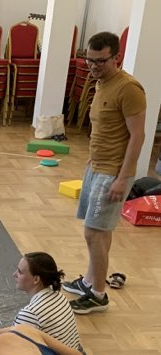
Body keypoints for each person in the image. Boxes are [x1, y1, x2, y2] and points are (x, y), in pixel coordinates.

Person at [62, 32, 146, 314]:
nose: (93, 66)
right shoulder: (101, 83)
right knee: (101, 231)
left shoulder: (129, 88)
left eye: (100, 61)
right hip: (96, 166)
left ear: (116, 58)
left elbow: (137, 136)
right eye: (89, 60)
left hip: (113, 172)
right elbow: (105, 128)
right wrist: (91, 159)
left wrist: (123, 178)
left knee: (94, 233)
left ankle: (98, 294)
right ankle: (89, 281)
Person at [13, 253, 80, 355]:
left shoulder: (30, 314)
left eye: (20, 272)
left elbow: (13, 350)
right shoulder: (60, 297)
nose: (14, 274)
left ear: (36, 279)